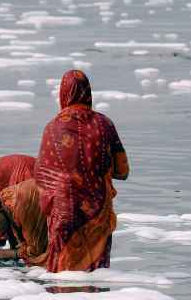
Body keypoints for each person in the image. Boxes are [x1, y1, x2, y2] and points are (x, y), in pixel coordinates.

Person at [35, 70, 129, 273]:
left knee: (61, 282)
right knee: (96, 280)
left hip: (63, 215)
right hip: (96, 214)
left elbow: (42, 177)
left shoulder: (51, 128)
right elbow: (123, 171)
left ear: (63, 94)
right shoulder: (104, 124)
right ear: (88, 93)